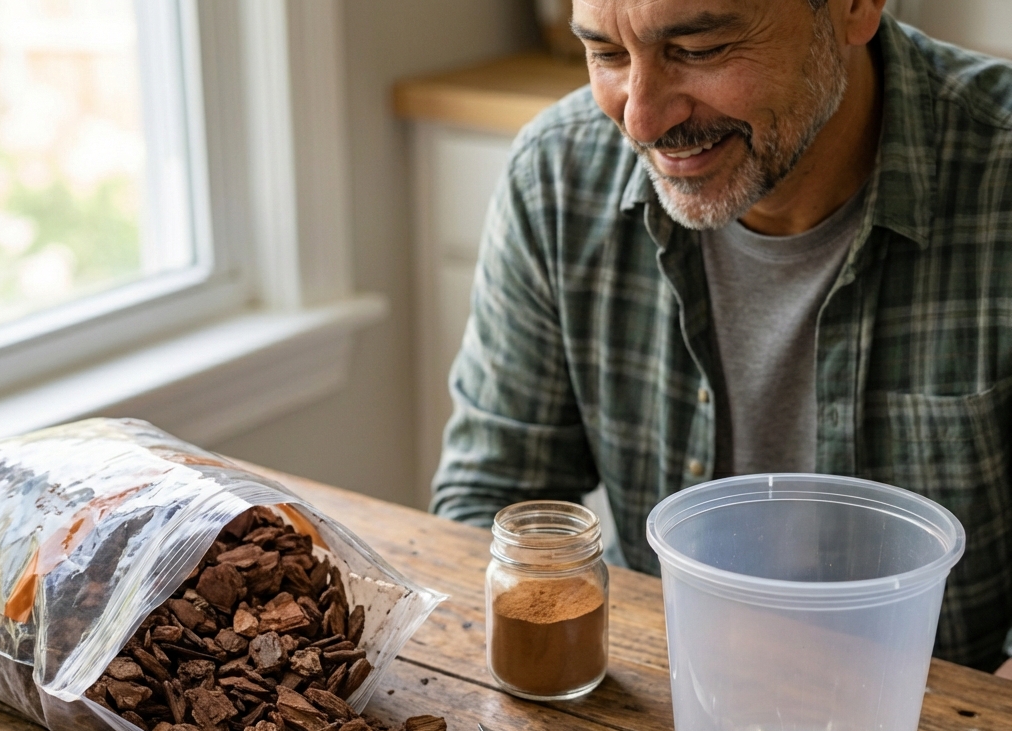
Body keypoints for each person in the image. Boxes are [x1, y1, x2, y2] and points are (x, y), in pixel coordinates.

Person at [430, 0, 1012, 674]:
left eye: (699, 50)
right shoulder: (556, 177)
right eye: (608, 55)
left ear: (855, 8)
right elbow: (489, 508)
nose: (641, 120)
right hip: (655, 713)